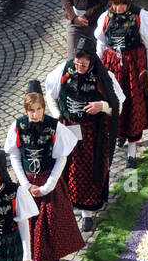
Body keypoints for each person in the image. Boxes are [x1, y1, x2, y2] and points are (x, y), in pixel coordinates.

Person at [4, 82, 84, 261]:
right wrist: (24, 184)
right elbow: (14, 155)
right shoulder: (18, 126)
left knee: (48, 231)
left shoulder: (53, 126)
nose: (36, 114)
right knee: (28, 231)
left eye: (39, 109)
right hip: (28, 186)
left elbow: (61, 157)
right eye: (32, 110)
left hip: (48, 184)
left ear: (43, 108)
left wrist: (48, 186)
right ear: (26, 110)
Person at [45, 34, 125, 229]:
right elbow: (50, 94)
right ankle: (67, 206)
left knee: (88, 172)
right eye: (77, 62)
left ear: (91, 61)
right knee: (65, 168)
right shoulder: (64, 71)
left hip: (91, 134)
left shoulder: (103, 77)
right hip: (67, 130)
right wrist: (57, 115)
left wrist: (102, 105)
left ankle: (87, 212)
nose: (79, 66)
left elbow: (118, 106)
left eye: (83, 64)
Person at [95, 0, 148, 168]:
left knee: (133, 105)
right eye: (116, 4)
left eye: (122, 4)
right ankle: (119, 134)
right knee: (114, 103)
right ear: (111, 3)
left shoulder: (141, 16)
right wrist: (98, 71)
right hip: (113, 67)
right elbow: (101, 45)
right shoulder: (105, 18)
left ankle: (132, 152)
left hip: (134, 68)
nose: (119, 8)